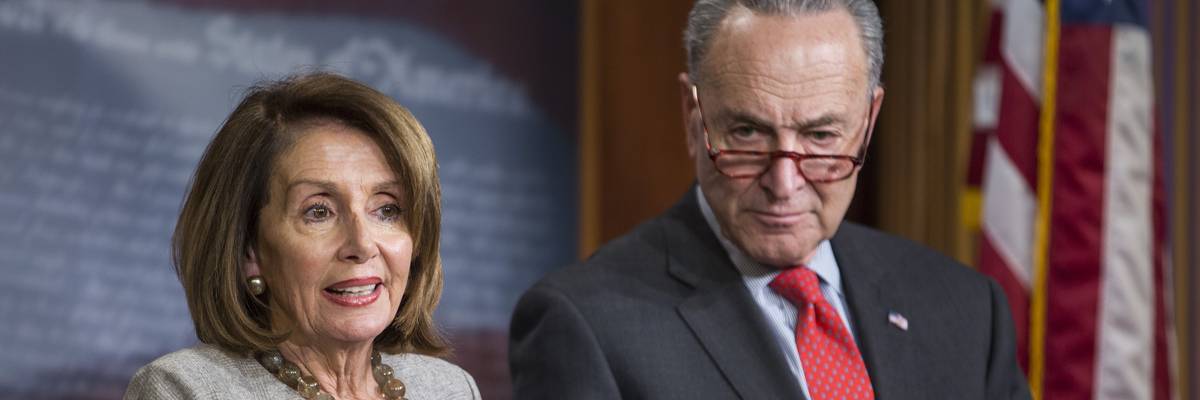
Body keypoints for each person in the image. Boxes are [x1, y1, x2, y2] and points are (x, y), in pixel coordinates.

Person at [509, 1, 1031, 399]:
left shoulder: (967, 311)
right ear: (694, 119)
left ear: (868, 122)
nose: (784, 184)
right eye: (747, 134)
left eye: (822, 137)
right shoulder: (585, 326)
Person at [125, 73, 480, 400]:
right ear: (249, 249)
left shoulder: (450, 389)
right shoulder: (185, 390)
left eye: (387, 210)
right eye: (319, 211)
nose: (361, 245)